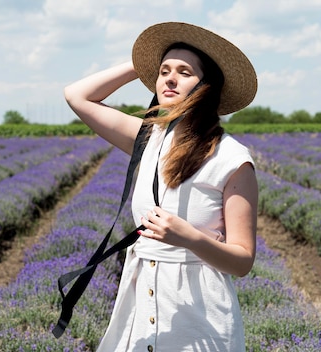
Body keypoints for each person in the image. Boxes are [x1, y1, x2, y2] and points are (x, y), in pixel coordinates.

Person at [64, 21, 258, 352]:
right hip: (139, 306)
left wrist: (190, 238)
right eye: (163, 70)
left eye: (184, 72)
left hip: (200, 318)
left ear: (206, 87)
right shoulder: (145, 138)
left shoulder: (232, 159)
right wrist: (142, 64)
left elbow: (242, 261)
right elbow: (77, 95)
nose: (169, 78)